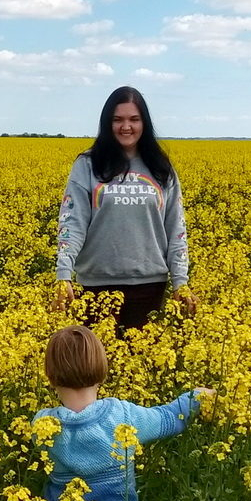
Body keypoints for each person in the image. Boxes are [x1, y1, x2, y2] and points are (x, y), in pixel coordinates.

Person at [32, 325, 214, 501]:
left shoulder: (41, 424)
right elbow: (168, 419)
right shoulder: (122, 415)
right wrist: (195, 398)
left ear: (50, 378)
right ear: (102, 371)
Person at [51, 86, 197, 331]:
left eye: (134, 119)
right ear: (107, 123)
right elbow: (72, 223)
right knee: (95, 366)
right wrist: (63, 274)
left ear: (144, 123)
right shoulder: (88, 164)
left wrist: (180, 281)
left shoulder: (161, 168)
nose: (125, 126)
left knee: (140, 363)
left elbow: (176, 229)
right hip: (95, 285)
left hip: (150, 285)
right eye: (117, 119)